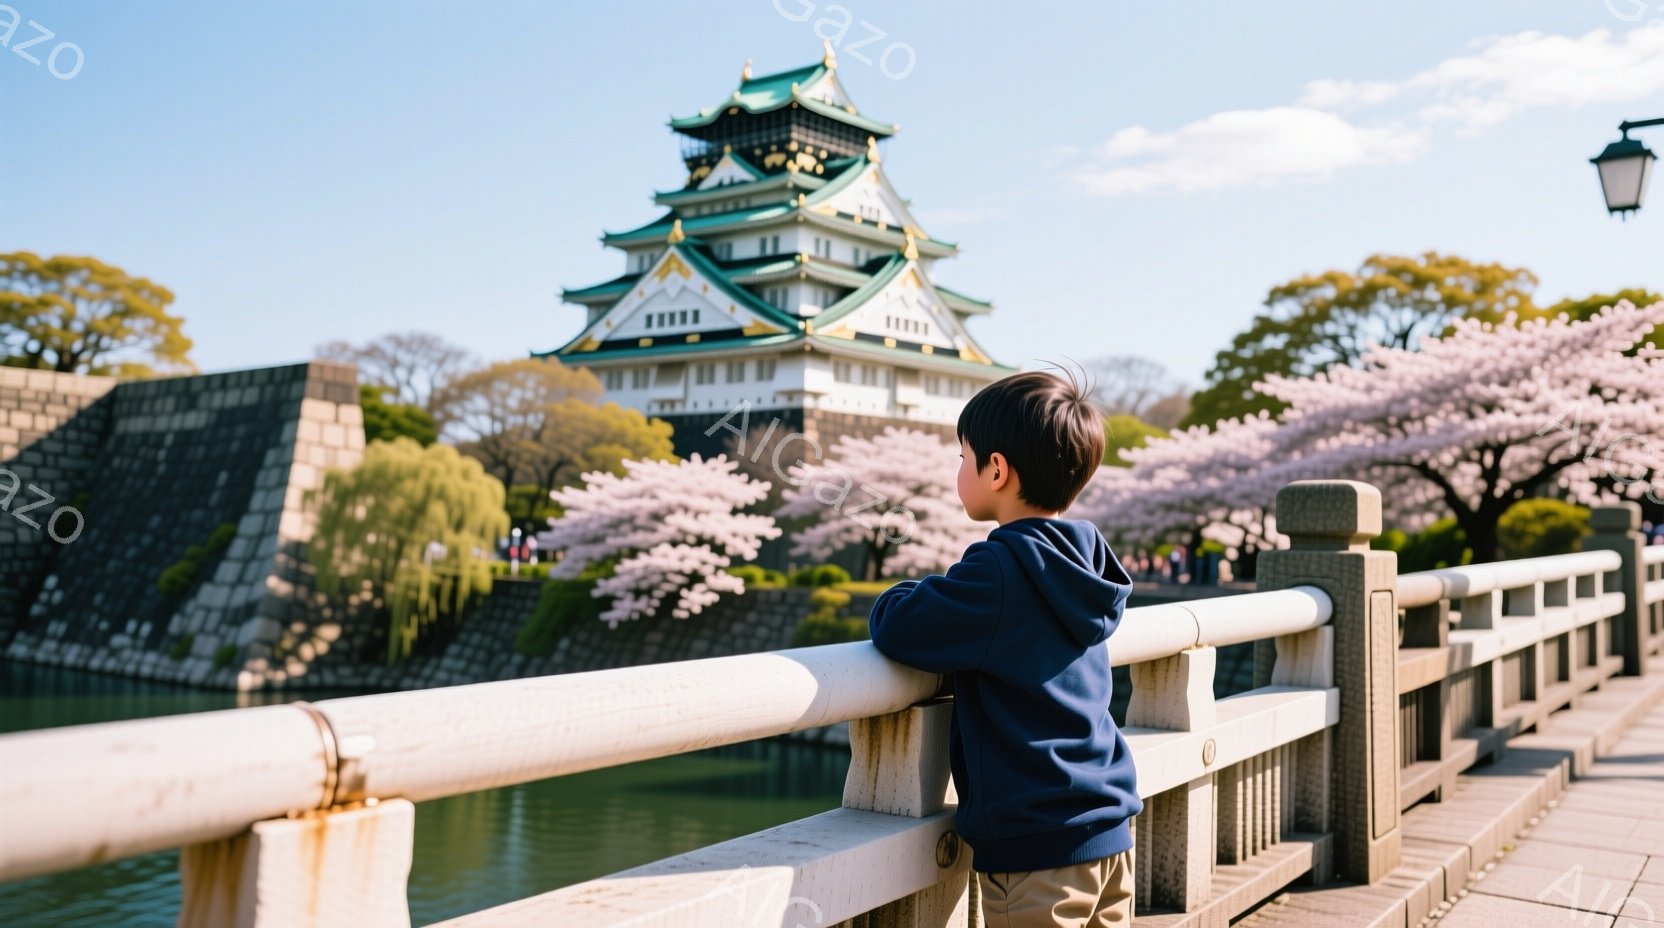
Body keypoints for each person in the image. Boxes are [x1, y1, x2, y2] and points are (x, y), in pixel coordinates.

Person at [867, 370, 1141, 926]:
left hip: (1037, 845)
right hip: (1108, 825)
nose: (958, 471)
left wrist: (900, 589)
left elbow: (900, 626)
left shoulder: (999, 569)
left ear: (996, 469)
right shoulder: (1087, 561)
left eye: (962, 458)